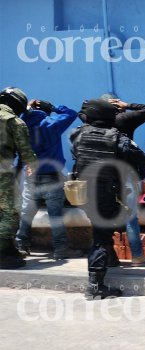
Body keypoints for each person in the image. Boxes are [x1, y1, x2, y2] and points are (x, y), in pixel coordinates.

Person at [71, 99, 145, 299]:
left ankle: (110, 260)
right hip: (106, 193)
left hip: (82, 192)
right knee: (101, 236)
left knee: (101, 230)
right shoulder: (118, 138)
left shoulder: (78, 134)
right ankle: (95, 285)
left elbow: (76, 154)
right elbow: (142, 161)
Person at [91, 93, 145, 267]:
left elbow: (80, 113)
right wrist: (126, 105)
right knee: (130, 216)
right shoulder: (124, 119)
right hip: (126, 174)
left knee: (104, 215)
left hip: (103, 177)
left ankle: (108, 255)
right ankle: (137, 255)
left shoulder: (91, 124)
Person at [16, 99, 82, 259]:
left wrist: (26, 110)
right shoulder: (51, 123)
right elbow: (72, 114)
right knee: (55, 215)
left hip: (30, 175)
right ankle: (61, 249)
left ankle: (21, 246)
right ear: (47, 111)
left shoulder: (21, 123)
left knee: (27, 213)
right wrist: (54, 107)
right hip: (51, 176)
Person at [0, 87, 37, 269]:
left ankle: (9, 249)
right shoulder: (13, 122)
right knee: (12, 211)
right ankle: (2, 252)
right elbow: (26, 152)